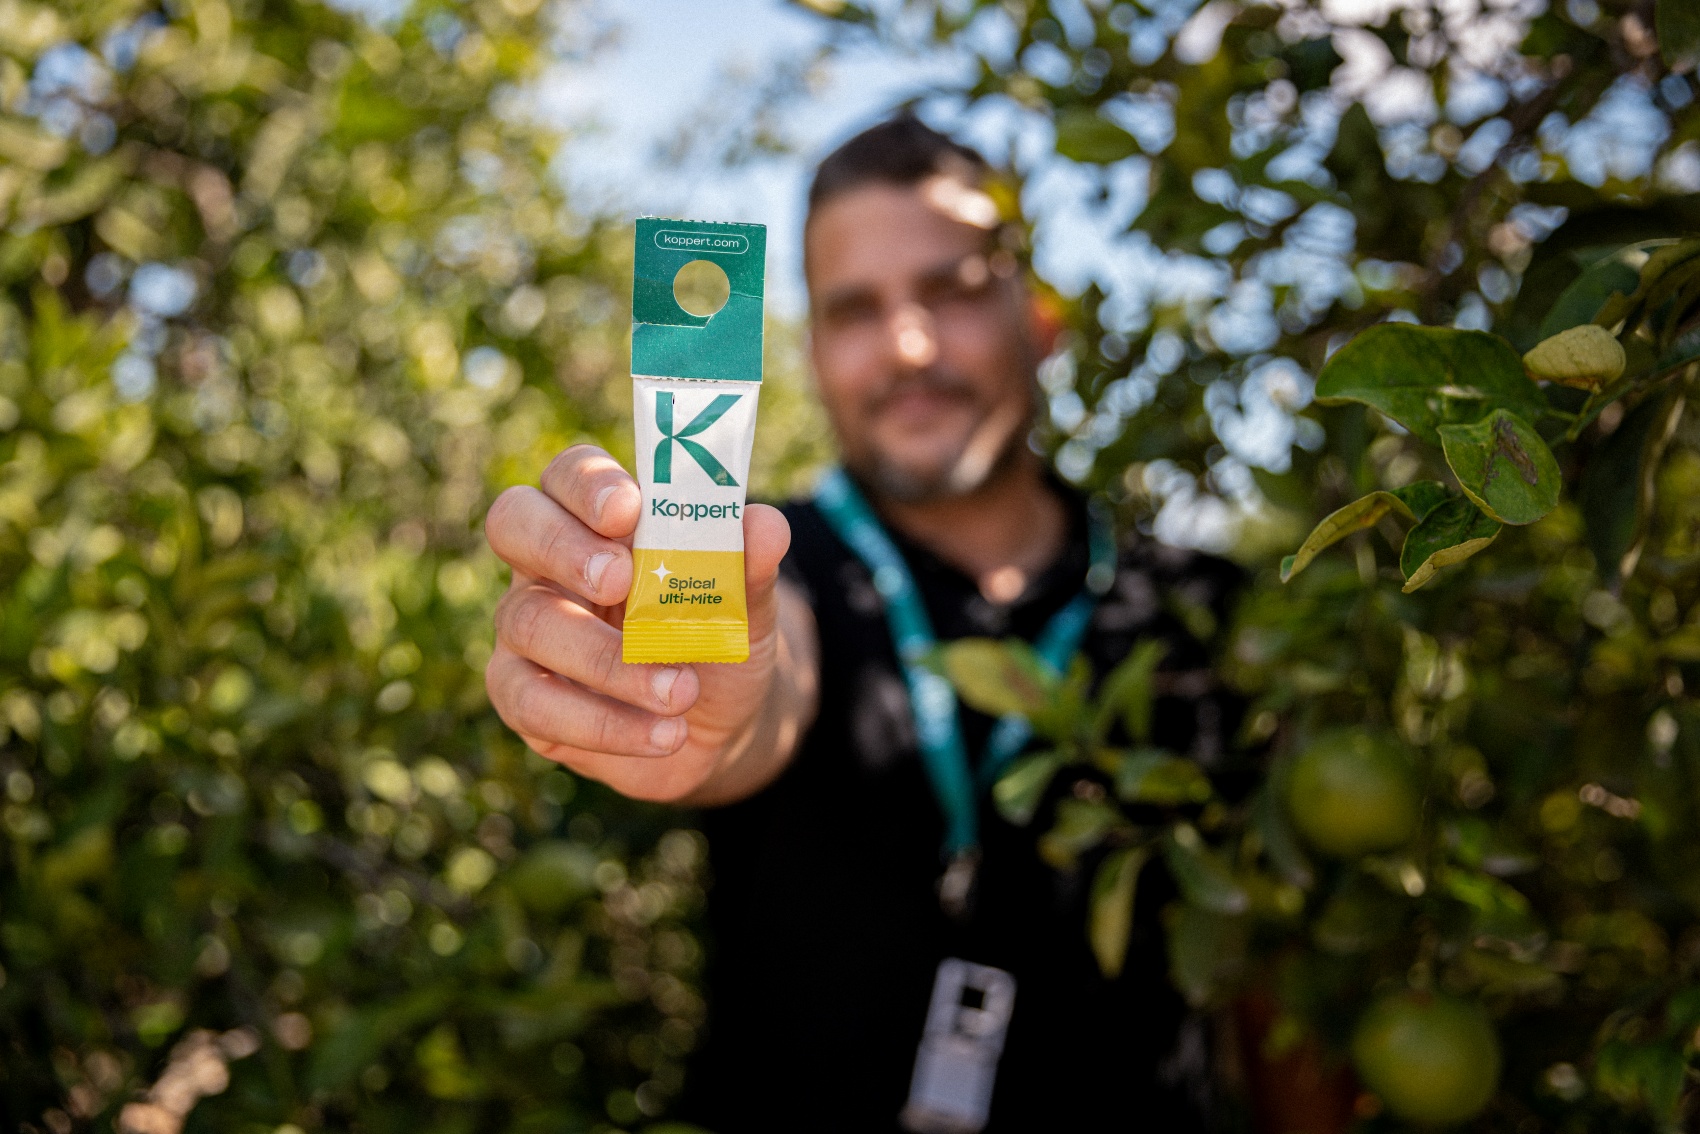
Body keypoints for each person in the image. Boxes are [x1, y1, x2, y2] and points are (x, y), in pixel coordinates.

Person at [483, 115, 1245, 1132]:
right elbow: (768, 675)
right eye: (854, 309)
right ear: (812, 353)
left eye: (952, 288)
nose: (907, 346)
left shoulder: (1206, 611)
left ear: (1042, 317)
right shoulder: (766, 559)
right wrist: (692, 702)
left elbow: (1276, 993)